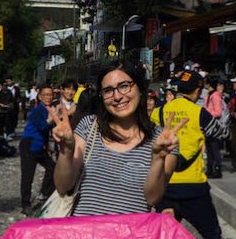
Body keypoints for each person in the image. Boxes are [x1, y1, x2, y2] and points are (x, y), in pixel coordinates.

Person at [49, 60, 181, 216]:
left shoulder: (162, 140)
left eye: (124, 86)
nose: (117, 96)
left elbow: (153, 198)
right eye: (108, 91)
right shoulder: (89, 126)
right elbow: (63, 186)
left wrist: (158, 158)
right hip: (83, 236)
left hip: (131, 238)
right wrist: (66, 151)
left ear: (139, 88)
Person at [151, 70, 234, 239]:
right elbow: (222, 132)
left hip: (164, 186)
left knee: (163, 238)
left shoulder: (158, 113)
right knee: (211, 233)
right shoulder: (200, 113)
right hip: (194, 187)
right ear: (198, 90)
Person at [19, 85, 57, 215]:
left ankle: (44, 194)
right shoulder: (37, 111)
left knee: (53, 167)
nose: (49, 97)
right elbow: (42, 127)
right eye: (46, 95)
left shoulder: (48, 109)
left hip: (39, 146)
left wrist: (47, 147)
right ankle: (25, 204)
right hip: (29, 145)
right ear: (40, 96)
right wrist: (52, 120)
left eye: (51, 95)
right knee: (27, 176)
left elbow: (46, 133)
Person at [204, 77, 228, 178]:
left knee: (214, 149)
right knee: (209, 149)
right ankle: (209, 169)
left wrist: (206, 114)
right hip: (209, 126)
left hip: (214, 126)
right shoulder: (209, 95)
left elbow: (218, 112)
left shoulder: (215, 96)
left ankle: (217, 170)